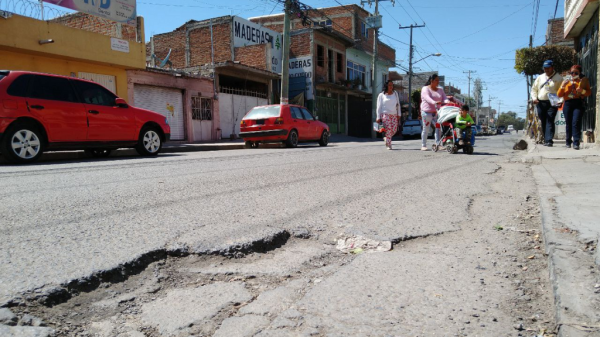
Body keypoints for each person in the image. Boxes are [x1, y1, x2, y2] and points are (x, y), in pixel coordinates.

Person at [557, 65, 591, 150]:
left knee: (576, 122)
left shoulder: (582, 81)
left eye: (576, 72)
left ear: (579, 73)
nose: (573, 74)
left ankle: (576, 142)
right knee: (568, 123)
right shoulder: (566, 81)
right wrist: (563, 86)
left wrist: (582, 91)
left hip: (578, 103)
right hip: (568, 103)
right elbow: (559, 94)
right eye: (572, 72)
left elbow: (588, 92)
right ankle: (568, 141)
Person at [531, 60, 563, 147]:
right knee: (544, 120)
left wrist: (560, 101)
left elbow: (561, 91)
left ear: (552, 67)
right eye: (545, 68)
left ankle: (549, 140)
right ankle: (546, 139)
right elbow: (534, 89)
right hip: (541, 102)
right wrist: (534, 98)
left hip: (552, 102)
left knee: (550, 120)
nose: (546, 70)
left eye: (548, 68)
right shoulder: (540, 78)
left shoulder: (559, 78)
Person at [420, 74, 447, 151]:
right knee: (426, 129)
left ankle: (438, 144)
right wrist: (434, 102)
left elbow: (444, 98)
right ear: (431, 81)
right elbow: (427, 98)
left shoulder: (440, 90)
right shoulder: (425, 89)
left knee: (438, 128)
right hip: (426, 112)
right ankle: (423, 145)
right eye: (436, 80)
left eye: (438, 80)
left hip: (436, 113)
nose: (438, 82)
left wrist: (448, 101)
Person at [376, 80, 400, 150]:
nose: (391, 87)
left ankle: (387, 138)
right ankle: (389, 144)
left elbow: (398, 104)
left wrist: (399, 113)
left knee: (394, 129)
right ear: (386, 86)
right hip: (385, 114)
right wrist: (378, 117)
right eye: (389, 85)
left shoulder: (395, 93)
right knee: (389, 129)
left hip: (394, 114)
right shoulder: (381, 95)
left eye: (392, 85)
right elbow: (378, 107)